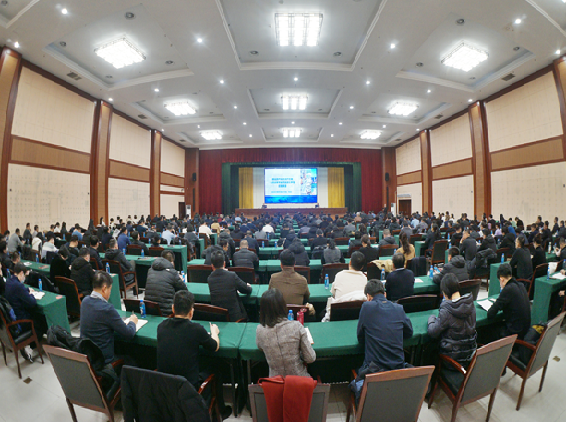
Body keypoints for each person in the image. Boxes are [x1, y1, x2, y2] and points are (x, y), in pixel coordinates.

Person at [156, 291, 231, 419]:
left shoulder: (161, 327)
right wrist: (214, 332)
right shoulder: (196, 329)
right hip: (188, 389)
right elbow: (214, 347)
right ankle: (221, 412)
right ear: (191, 312)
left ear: (173, 308)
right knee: (216, 370)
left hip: (166, 387)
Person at [256, 289, 316, 377]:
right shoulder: (296, 326)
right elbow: (310, 358)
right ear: (283, 306)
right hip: (299, 379)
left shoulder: (260, 329)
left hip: (275, 381)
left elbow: (260, 347)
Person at [80, 271, 137, 363]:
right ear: (104, 288)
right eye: (110, 290)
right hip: (104, 360)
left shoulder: (84, 302)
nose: (110, 293)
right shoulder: (107, 309)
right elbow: (129, 333)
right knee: (133, 360)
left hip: (88, 356)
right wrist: (132, 322)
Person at [357, 279, 413, 372]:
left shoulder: (366, 307)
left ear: (368, 296)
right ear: (385, 294)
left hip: (374, 372)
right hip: (397, 370)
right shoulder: (399, 308)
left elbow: (360, 338)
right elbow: (409, 333)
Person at [427, 273, 477, 366]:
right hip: (470, 357)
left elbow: (432, 332)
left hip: (452, 360)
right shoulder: (471, 304)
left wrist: (431, 318)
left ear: (445, 293)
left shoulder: (446, 310)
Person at [5, 262, 48, 360]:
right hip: (22, 319)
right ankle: (31, 346)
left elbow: (20, 291)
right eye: (24, 275)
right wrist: (31, 295)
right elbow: (32, 303)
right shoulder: (18, 286)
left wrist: (27, 290)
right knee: (41, 321)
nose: (25, 278)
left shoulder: (9, 281)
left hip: (13, 317)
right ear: (21, 273)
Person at [487, 263, 531, 339]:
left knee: (486, 330)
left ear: (502, 279)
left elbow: (490, 314)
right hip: (525, 330)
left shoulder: (508, 289)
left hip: (514, 333)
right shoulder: (521, 285)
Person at [207, 250, 252, 321]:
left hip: (219, 317)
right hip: (235, 317)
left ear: (212, 266)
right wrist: (248, 286)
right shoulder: (231, 275)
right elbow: (246, 290)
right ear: (224, 264)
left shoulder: (210, 279)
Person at [145, 250, 188, 316]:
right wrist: (179, 280)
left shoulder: (150, 270)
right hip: (166, 311)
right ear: (172, 262)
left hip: (149, 309)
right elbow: (184, 290)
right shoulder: (172, 273)